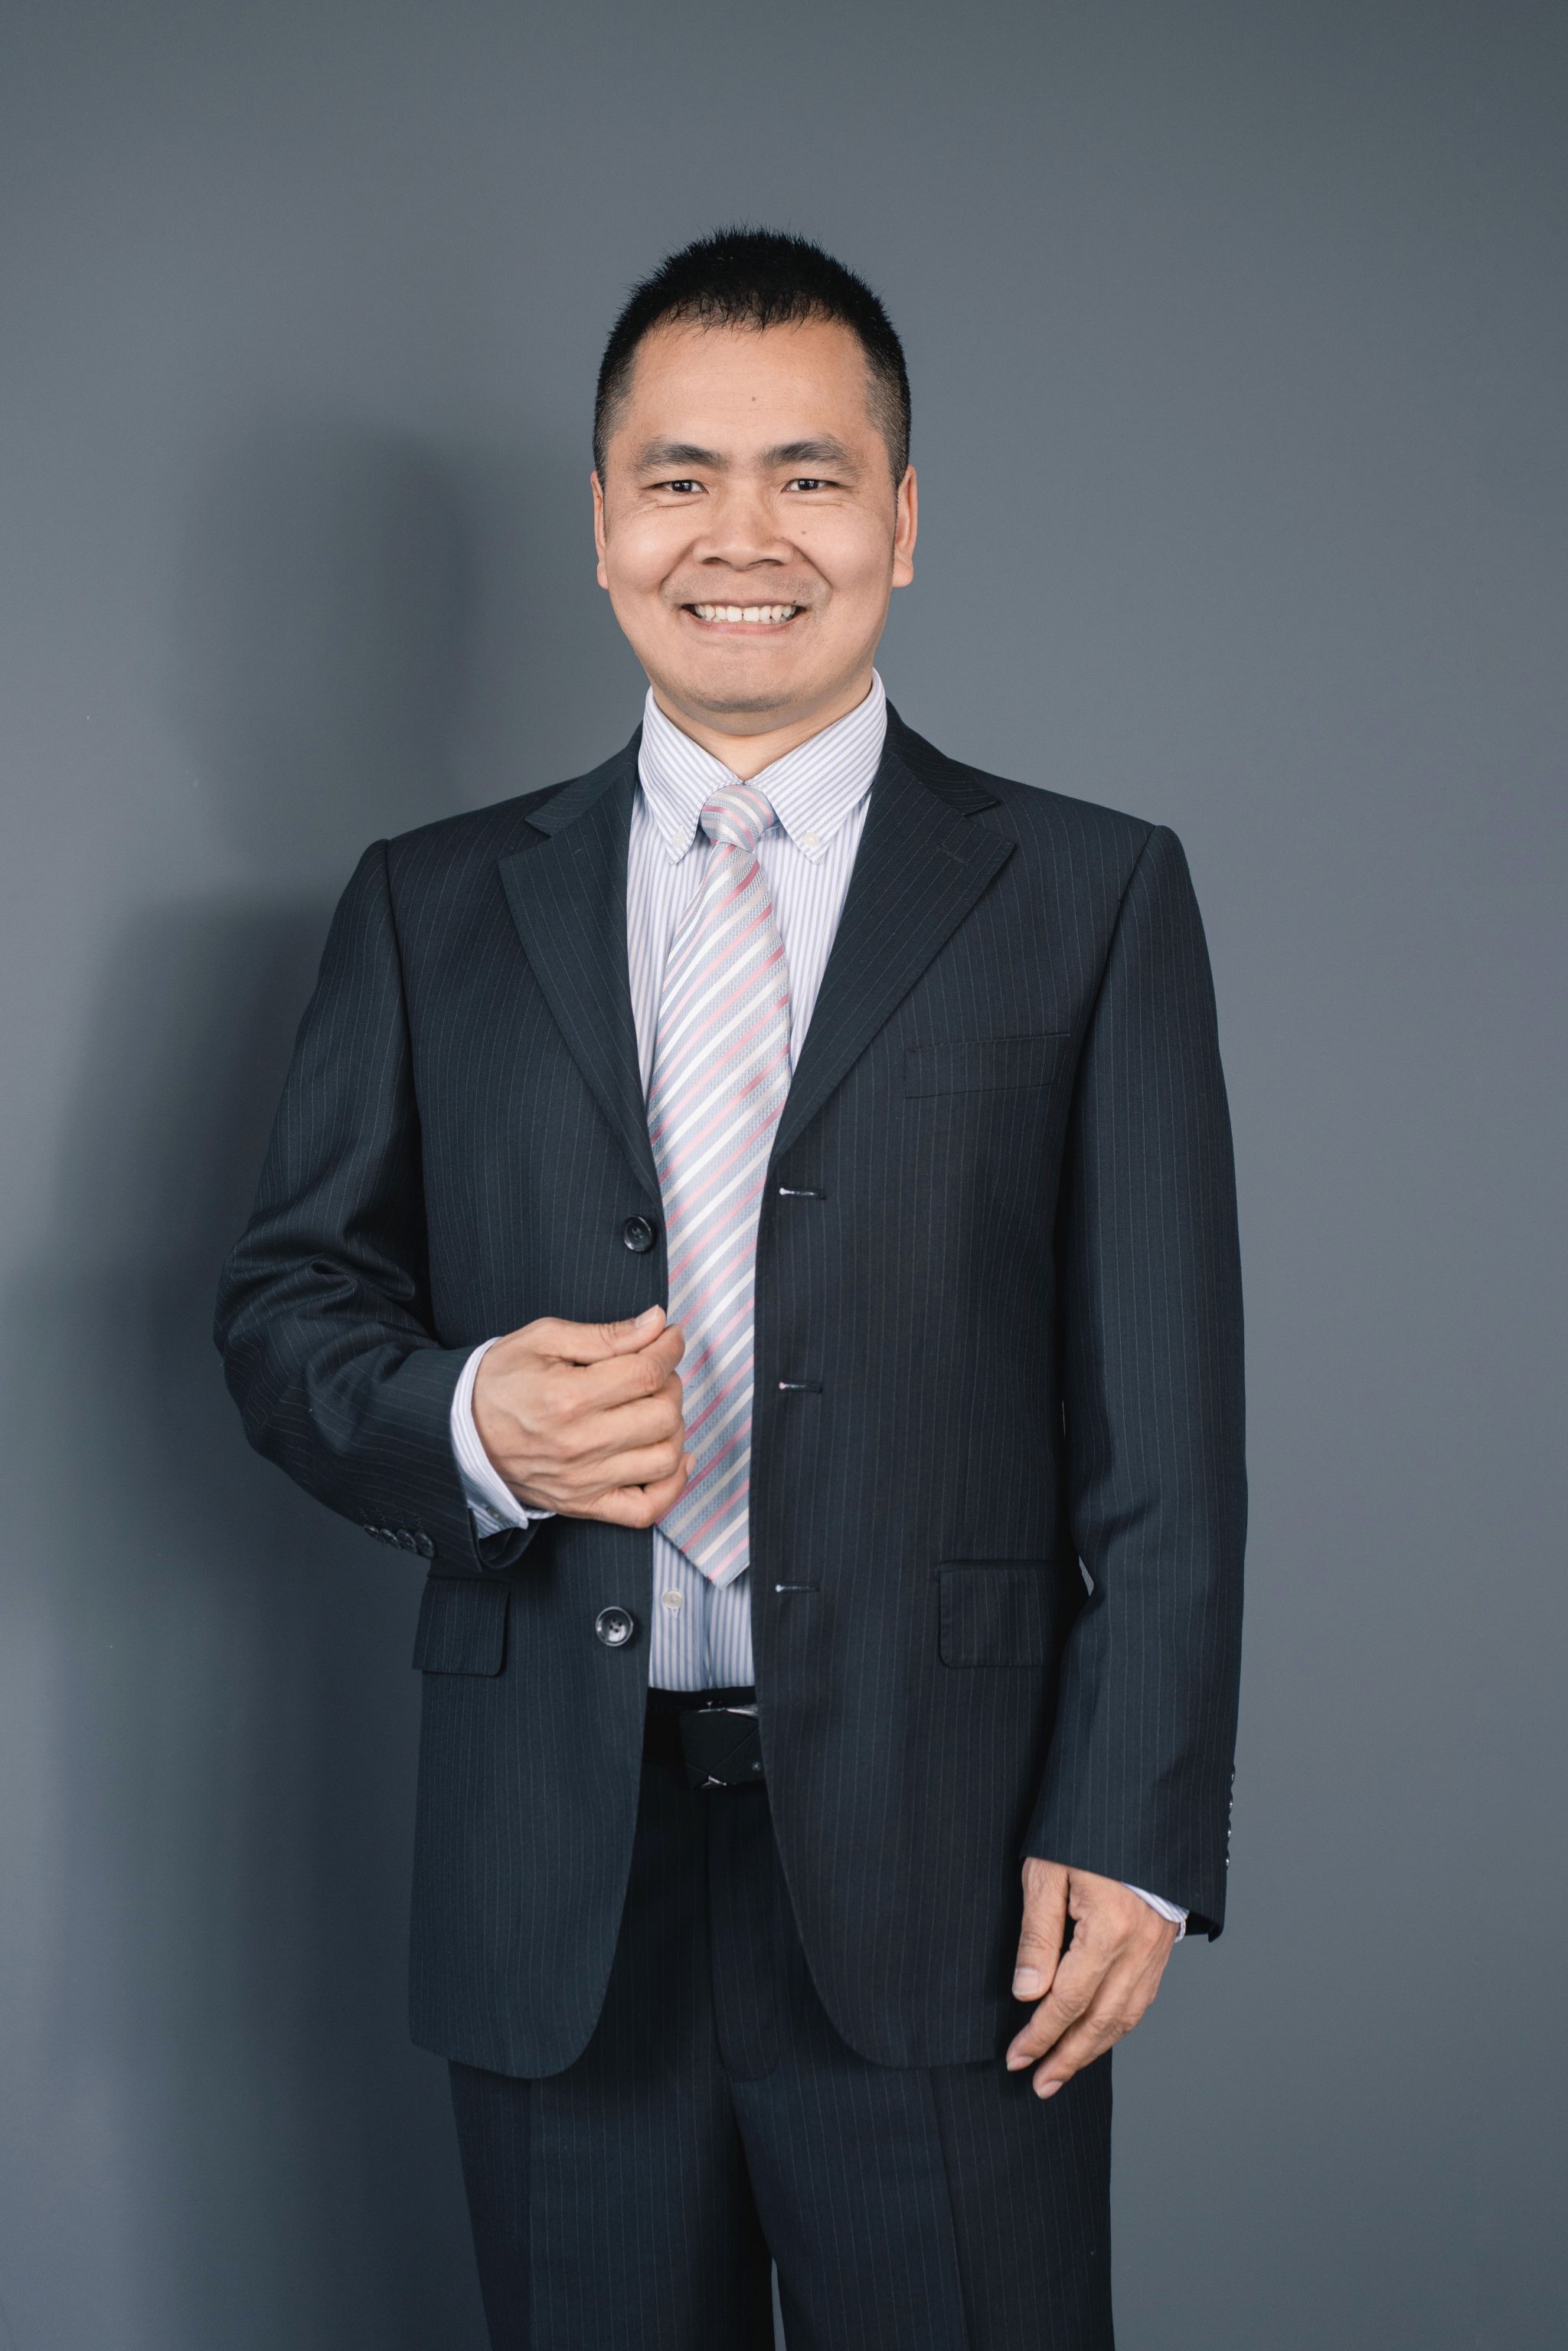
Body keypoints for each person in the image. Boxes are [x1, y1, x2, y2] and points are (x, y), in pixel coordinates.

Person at [215, 227, 1245, 2349]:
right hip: (552, 1881)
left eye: (810, 474)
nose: (742, 536)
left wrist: (1137, 1830)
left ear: (903, 520)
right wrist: (469, 1420)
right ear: (601, 521)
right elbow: (288, 1309)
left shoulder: (1088, 895)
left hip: (961, 1882)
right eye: (679, 477)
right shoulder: (429, 907)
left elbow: (1169, 1422)